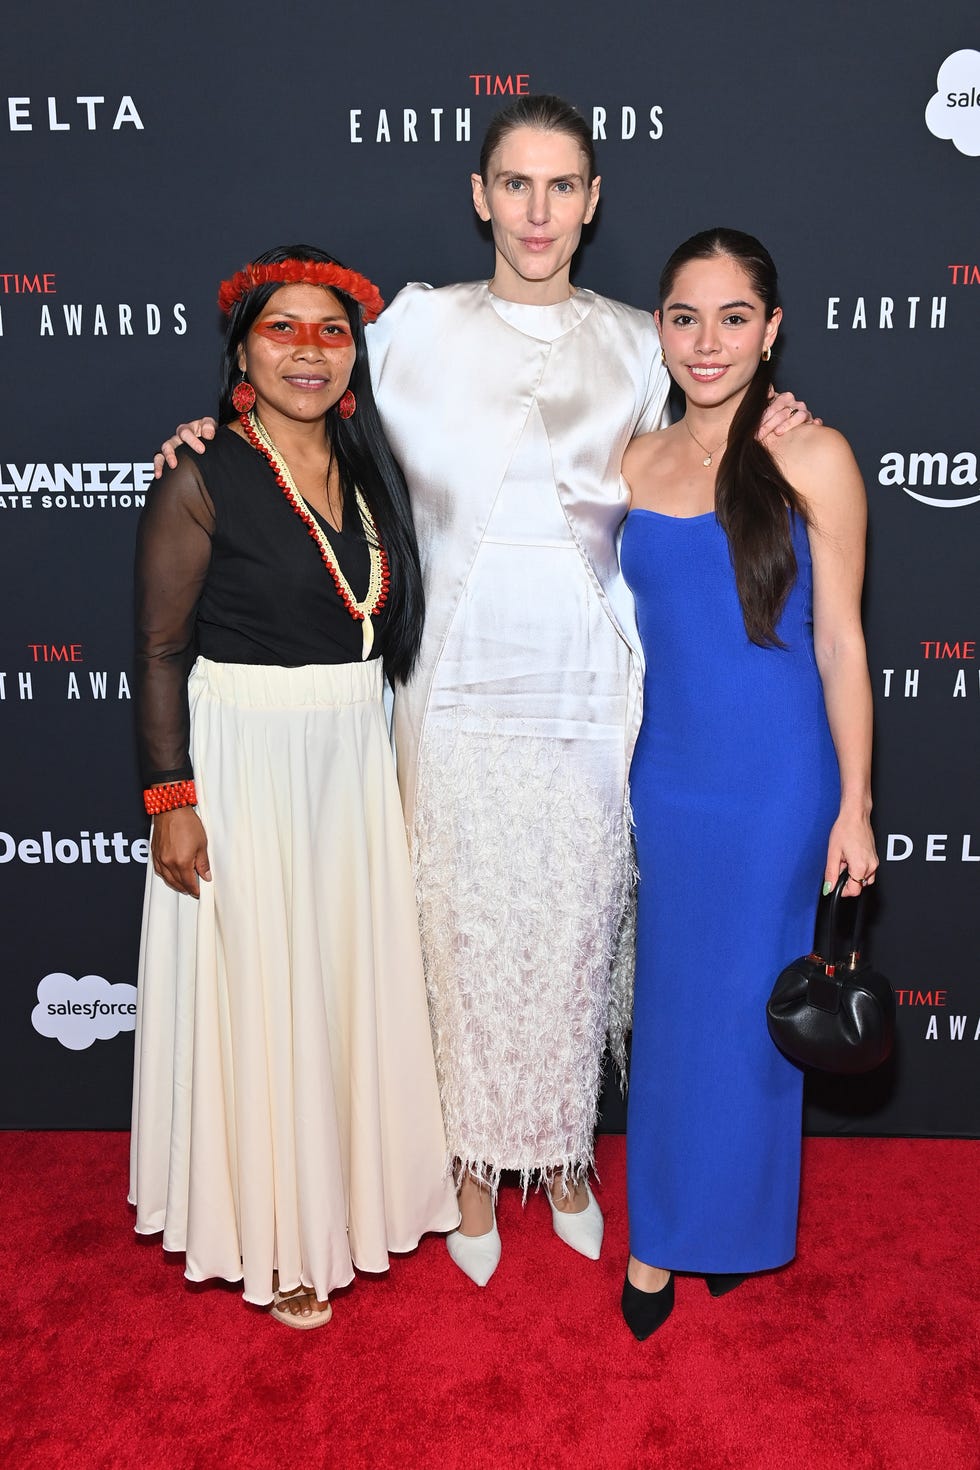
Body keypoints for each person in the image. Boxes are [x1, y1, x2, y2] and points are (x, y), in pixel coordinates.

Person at [156, 98, 811, 1289]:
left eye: (562, 187)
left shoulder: (635, 341)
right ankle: (466, 1166)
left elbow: (709, 435)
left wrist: (778, 415)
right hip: (448, 687)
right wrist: (220, 424)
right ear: (478, 195)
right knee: (455, 937)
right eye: (515, 184)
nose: (538, 212)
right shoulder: (409, 328)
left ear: (593, 200)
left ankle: (561, 1158)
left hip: (586, 686)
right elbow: (314, 412)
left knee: (566, 935)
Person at [130, 244, 459, 1329]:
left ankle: (354, 1201)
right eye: (283, 328)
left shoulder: (370, 472)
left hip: (347, 758)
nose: (307, 351)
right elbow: (160, 650)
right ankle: (279, 1246)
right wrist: (172, 802)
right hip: (245, 761)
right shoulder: (200, 474)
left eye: (329, 330)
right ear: (241, 349)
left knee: (337, 987)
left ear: (353, 354)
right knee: (265, 994)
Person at [618, 228, 878, 1339]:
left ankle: (728, 1227)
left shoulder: (811, 457)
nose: (707, 341)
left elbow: (838, 644)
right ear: (658, 329)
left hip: (776, 784)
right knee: (674, 1012)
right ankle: (659, 1235)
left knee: (751, 1013)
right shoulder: (625, 459)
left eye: (734, 317)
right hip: (663, 779)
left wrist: (854, 804)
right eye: (685, 317)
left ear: (770, 330)